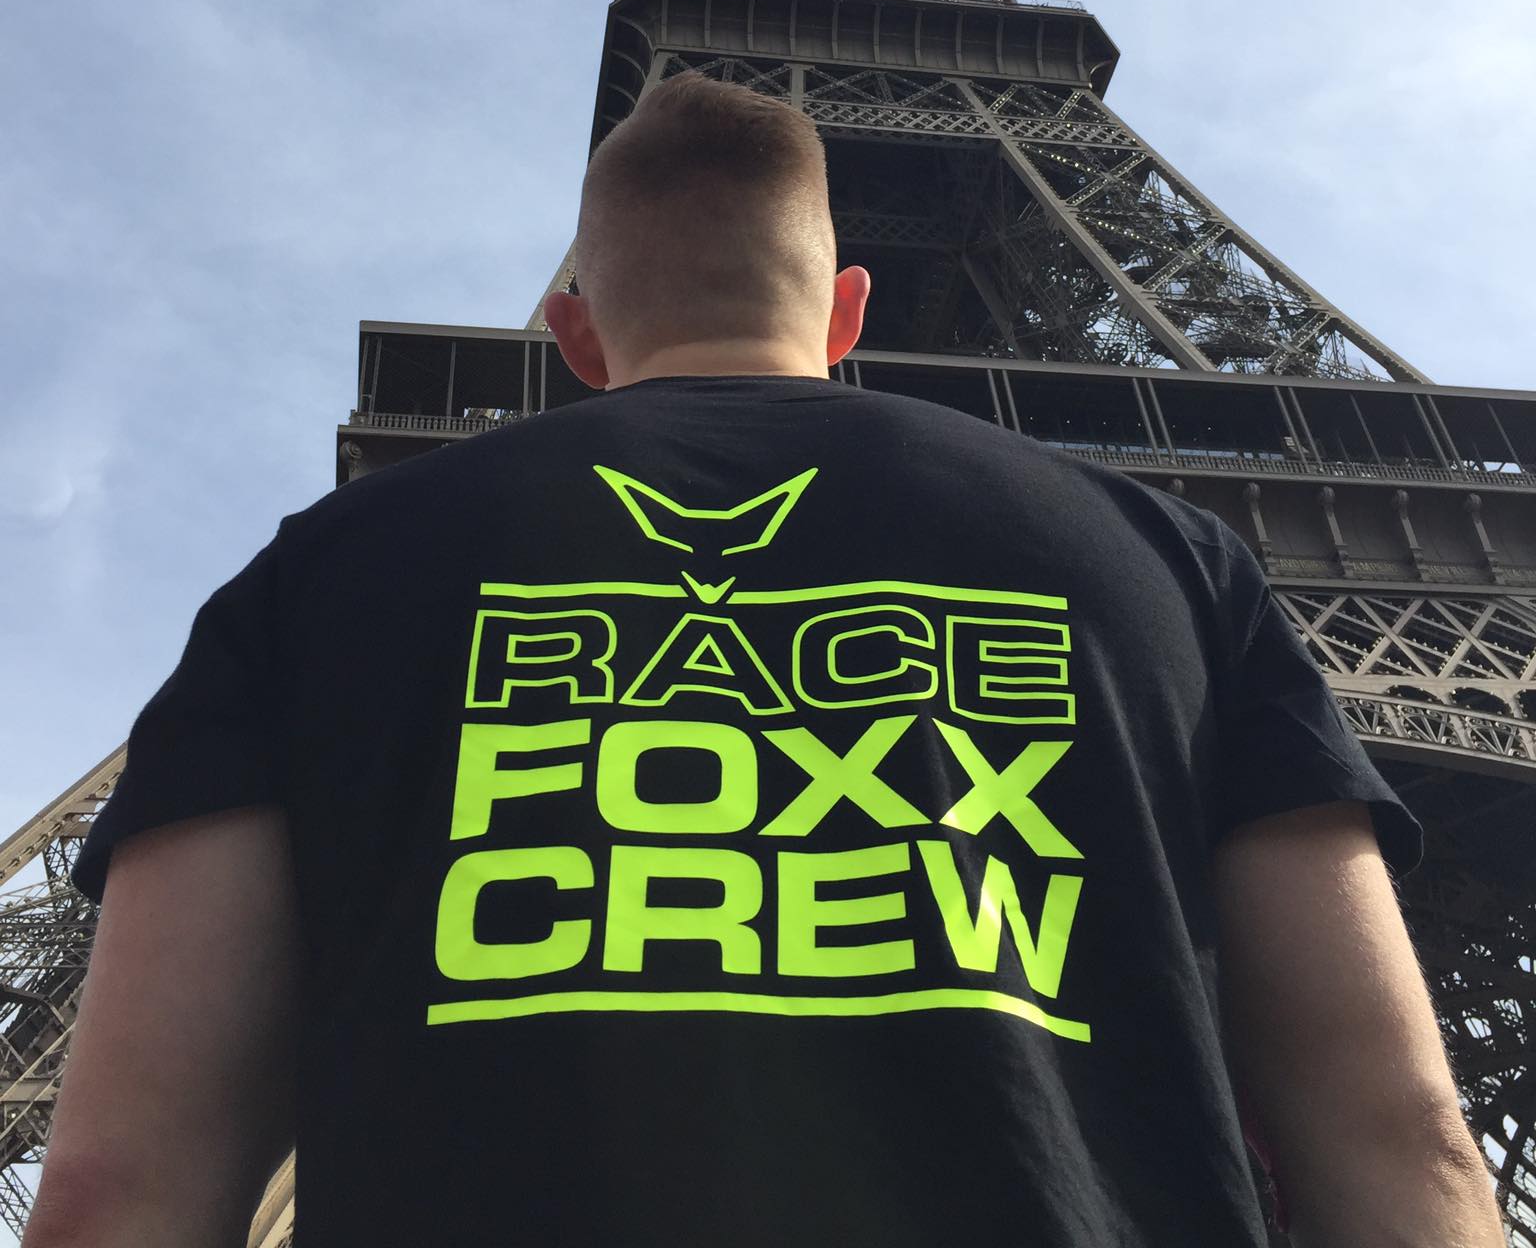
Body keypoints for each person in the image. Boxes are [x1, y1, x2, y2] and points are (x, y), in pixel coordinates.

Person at [29, 75, 1504, 1247]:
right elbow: (1405, 1140)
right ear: (847, 309)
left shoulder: (321, 578)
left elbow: (112, 1191)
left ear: (574, 334)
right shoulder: (1175, 566)